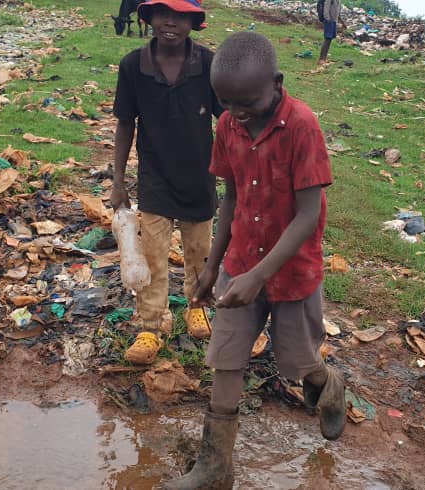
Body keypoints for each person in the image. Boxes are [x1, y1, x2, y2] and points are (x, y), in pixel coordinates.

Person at [163, 32, 345, 489]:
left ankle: (329, 386)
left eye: (247, 102)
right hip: (240, 261)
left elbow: (308, 216)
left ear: (278, 84)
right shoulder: (228, 126)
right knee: (226, 358)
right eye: (225, 102)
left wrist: (259, 275)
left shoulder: (302, 126)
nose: (237, 112)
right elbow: (231, 198)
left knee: (299, 362)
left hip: (292, 272)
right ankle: (214, 467)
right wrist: (212, 266)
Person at [110, 0, 222, 357]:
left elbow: (229, 118)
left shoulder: (207, 64)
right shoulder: (133, 66)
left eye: (180, 16)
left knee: (200, 252)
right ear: (149, 18)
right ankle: (150, 326)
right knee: (153, 255)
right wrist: (117, 180)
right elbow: (125, 122)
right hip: (155, 175)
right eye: (162, 14)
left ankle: (196, 307)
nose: (170, 22)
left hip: (200, 174)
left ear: (194, 21)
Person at [317, 0, 346, 65]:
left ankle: (324, 58)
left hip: (334, 21)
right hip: (329, 20)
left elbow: (337, 11)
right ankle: (321, 59)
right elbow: (326, 9)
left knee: (330, 39)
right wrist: (327, 19)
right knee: (327, 38)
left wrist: (340, 21)